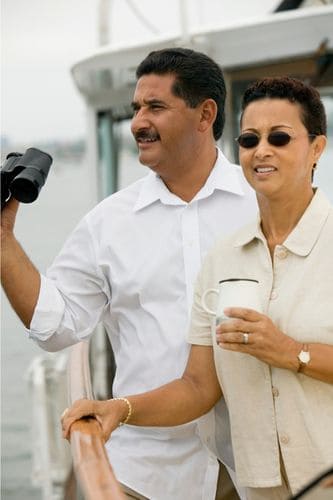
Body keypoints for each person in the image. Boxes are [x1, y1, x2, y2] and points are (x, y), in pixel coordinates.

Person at [1, 48, 258, 500]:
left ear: (205, 115)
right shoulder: (108, 223)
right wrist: (3, 242)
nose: (138, 121)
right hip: (147, 472)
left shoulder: (260, 204)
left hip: (254, 467)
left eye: (155, 107)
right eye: (136, 108)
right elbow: (55, 326)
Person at [62, 76, 333, 500]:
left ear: (317, 147)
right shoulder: (223, 259)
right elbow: (197, 387)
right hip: (258, 487)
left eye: (279, 137)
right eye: (248, 139)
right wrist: (119, 409)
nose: (262, 150)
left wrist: (289, 351)